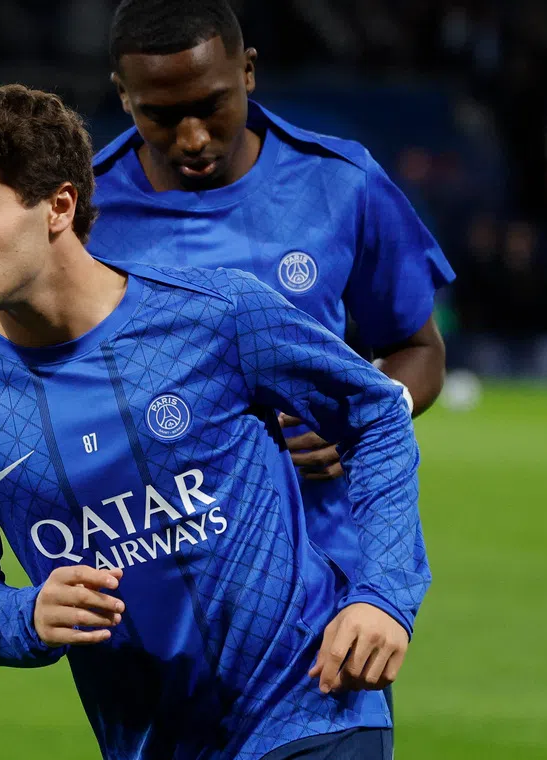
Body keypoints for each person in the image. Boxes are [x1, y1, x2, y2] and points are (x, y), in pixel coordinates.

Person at [0, 84, 429, 760]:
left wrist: (383, 594)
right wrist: (25, 615)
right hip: (150, 740)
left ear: (58, 206)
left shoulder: (218, 315)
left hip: (312, 707)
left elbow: (375, 413)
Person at [90, 0, 455, 703]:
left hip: (322, 588)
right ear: (122, 96)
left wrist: (367, 414)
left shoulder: (338, 184)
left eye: (211, 105)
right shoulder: (82, 214)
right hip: (159, 598)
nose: (191, 137)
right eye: (161, 116)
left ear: (248, 72)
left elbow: (417, 347)